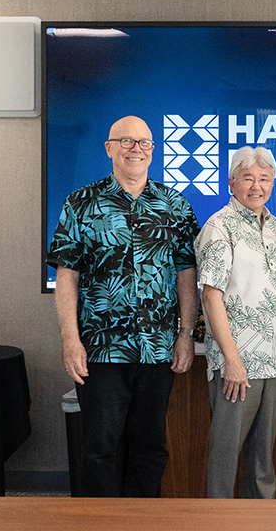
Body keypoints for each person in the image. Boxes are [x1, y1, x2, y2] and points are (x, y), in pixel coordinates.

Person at [47, 115, 199, 497]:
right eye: (126, 141)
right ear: (109, 148)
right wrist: (70, 340)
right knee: (99, 449)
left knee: (151, 448)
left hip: (157, 348)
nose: (136, 149)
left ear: (152, 150)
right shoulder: (81, 202)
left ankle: (143, 528)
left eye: (144, 142)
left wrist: (185, 335)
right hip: (99, 349)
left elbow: (186, 275)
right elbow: (67, 276)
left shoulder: (174, 205)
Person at [195, 146, 276, 499]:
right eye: (248, 178)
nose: (257, 186)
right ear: (231, 182)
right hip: (238, 364)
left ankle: (259, 529)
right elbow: (211, 297)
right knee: (226, 455)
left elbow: (275, 293)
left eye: (264, 179)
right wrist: (232, 360)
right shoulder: (218, 227)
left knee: (262, 460)